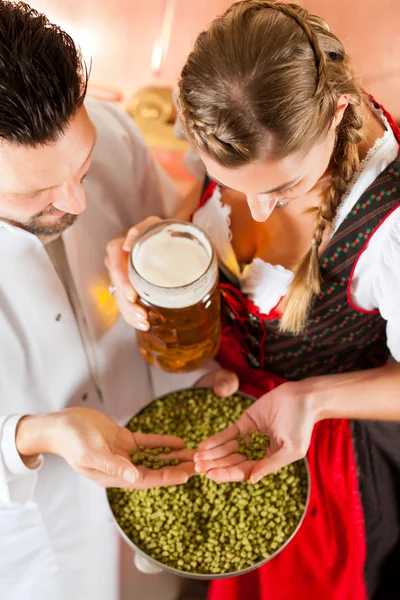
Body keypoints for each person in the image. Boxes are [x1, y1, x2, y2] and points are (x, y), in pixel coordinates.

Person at [109, 1, 400, 599]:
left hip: (325, 441)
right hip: (225, 405)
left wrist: (309, 399)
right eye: (236, 185)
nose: (258, 209)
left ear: (337, 112)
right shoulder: (234, 119)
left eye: (285, 187)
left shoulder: (390, 231)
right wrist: (149, 242)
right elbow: (196, 196)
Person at [0, 3, 237, 600]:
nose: (76, 203)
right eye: (38, 192)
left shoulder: (115, 132)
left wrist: (155, 244)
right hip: (44, 544)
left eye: (82, 164)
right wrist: (31, 436)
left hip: (161, 468)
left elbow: (178, 244)